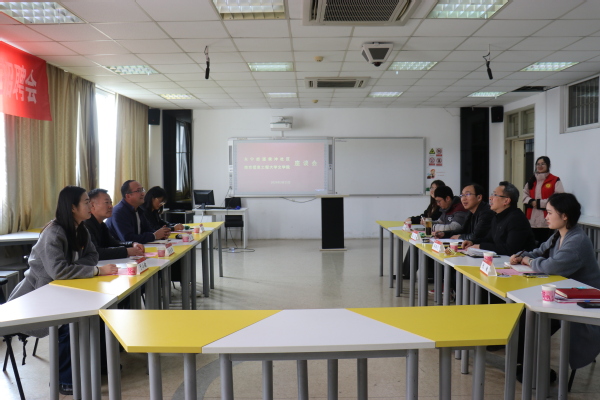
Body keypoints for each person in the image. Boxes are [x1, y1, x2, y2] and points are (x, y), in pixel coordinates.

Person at [8, 186, 118, 395]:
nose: (90, 206)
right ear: (73, 207)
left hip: (62, 291)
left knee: (98, 315)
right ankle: (65, 380)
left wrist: (74, 268)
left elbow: (93, 256)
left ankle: (100, 365)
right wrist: (94, 271)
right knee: (70, 323)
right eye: (86, 202)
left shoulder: (81, 229)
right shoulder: (54, 232)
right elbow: (59, 271)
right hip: (36, 297)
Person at [510, 193, 600, 375]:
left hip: (582, 302)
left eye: (550, 213)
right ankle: (528, 366)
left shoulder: (577, 240)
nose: (546, 216)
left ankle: (535, 371)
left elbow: (551, 267)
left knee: (533, 320)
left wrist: (528, 261)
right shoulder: (558, 236)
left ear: (564, 215)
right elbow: (539, 252)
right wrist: (522, 256)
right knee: (526, 316)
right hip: (564, 294)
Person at [463, 181, 535, 255]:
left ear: (506, 201)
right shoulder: (497, 216)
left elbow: (510, 249)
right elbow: (489, 239)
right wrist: (472, 242)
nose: (490, 198)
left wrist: (481, 246)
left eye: (495, 195)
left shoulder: (517, 219)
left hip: (519, 260)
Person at [84, 188, 145, 260]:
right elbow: (96, 252)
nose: (110, 206)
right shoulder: (85, 225)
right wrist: (126, 251)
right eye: (106, 202)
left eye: (110, 202)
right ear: (92, 205)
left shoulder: (101, 224)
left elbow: (113, 243)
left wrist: (132, 244)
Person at [106, 180, 170, 244]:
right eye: (138, 191)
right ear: (128, 196)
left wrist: (161, 234)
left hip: (137, 247)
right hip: (122, 249)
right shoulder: (119, 212)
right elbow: (128, 239)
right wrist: (154, 236)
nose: (143, 193)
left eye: (142, 190)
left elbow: (148, 230)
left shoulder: (139, 210)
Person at [523, 156, 564, 243]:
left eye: (543, 164)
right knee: (532, 244)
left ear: (548, 165)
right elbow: (524, 194)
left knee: (546, 244)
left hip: (547, 220)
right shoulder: (531, 180)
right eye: (538, 164)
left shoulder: (555, 180)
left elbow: (558, 198)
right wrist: (531, 201)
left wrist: (539, 203)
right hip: (531, 220)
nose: (540, 166)